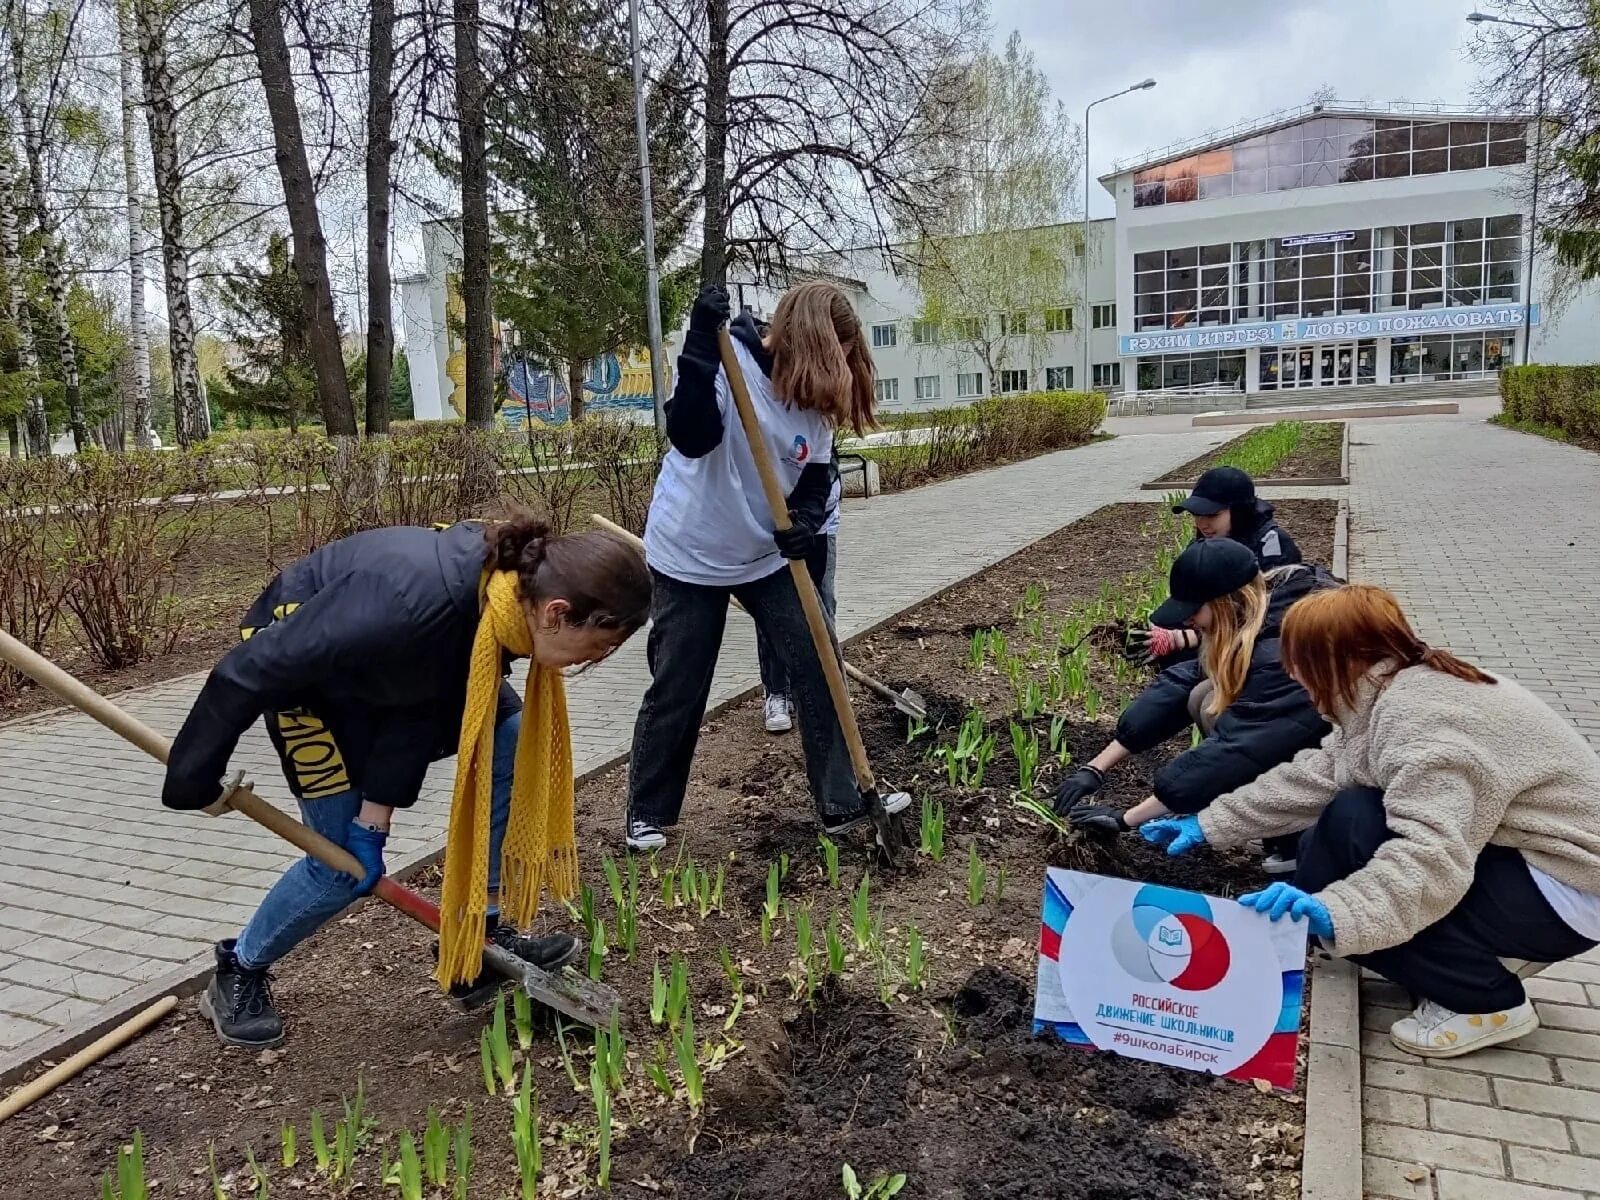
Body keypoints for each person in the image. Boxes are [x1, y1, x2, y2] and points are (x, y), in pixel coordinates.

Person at [161, 516, 652, 1048]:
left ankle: (474, 938)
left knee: (509, 738)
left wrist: (377, 820)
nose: (597, 660)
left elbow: (417, 701)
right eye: (601, 646)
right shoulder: (404, 611)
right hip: (304, 679)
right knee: (337, 866)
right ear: (558, 613)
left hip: (394, 665)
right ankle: (239, 967)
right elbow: (246, 671)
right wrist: (194, 776)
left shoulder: (498, 609)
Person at [1143, 585, 1600, 1059]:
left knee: (1358, 912)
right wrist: (1211, 823)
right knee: (1352, 815)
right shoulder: (1390, 687)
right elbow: (1316, 776)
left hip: (1567, 885)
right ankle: (1474, 954)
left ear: (1335, 657)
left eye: (1298, 657)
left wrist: (1339, 912)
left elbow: (1430, 858)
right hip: (1535, 864)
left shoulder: (1421, 722)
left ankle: (1489, 1003)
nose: (1291, 670)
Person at [628, 281, 909, 852]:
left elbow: (814, 475)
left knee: (820, 660)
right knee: (681, 681)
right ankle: (648, 813)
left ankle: (841, 801)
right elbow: (691, 436)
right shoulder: (731, 365)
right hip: (691, 554)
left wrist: (805, 520)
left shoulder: (815, 395)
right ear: (802, 344)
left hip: (764, 557)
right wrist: (697, 349)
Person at [1058, 538, 1337, 874]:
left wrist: (1127, 818)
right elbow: (1178, 686)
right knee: (1202, 696)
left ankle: (1302, 835)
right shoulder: (1265, 608)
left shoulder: (1285, 653)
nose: (1187, 620)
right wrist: (1095, 768)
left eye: (1194, 609)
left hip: (1358, 767)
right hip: (1319, 738)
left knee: (1220, 711)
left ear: (1228, 601)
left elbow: (1240, 746)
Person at [1125, 466, 1302, 664]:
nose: (1202, 524)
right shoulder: (1204, 544)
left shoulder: (1272, 545)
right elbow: (1190, 599)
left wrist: (1186, 638)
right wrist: (1161, 631)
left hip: (1253, 647)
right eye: (1197, 515)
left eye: (1211, 515)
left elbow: (1270, 616)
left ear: (1239, 512)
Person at [756, 466, 839, 733]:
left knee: (823, 606)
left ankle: (827, 690)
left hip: (820, 523)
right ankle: (777, 693)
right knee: (773, 614)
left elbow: (823, 472)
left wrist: (808, 522)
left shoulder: (820, 431)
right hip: (775, 529)